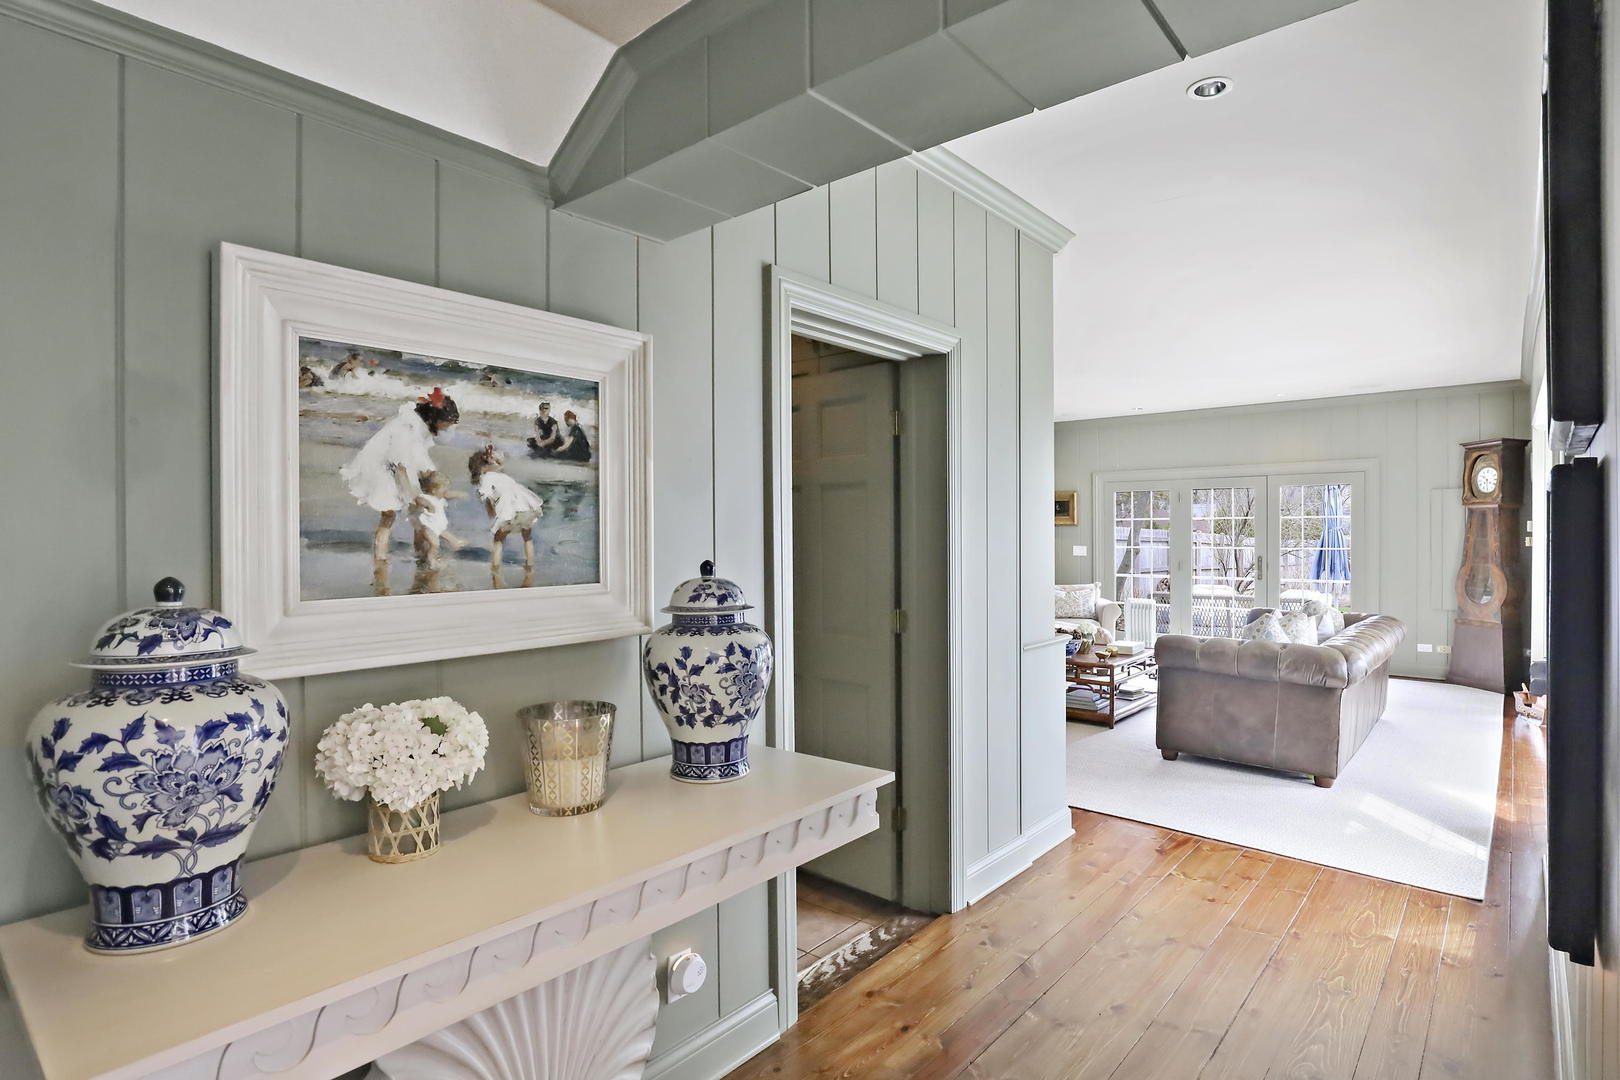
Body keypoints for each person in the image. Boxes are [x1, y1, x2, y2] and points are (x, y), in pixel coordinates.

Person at [340, 387, 460, 568]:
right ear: (436, 418)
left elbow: (418, 457)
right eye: (447, 423)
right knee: (388, 515)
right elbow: (400, 464)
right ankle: (380, 558)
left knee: (419, 513)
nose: (448, 427)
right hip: (383, 469)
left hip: (398, 468)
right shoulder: (407, 427)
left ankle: (421, 554)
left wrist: (427, 477)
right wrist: (413, 495)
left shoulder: (418, 426)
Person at [469, 444, 544, 586]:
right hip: (526, 507)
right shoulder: (503, 477)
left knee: (498, 539)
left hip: (510, 511)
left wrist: (490, 510)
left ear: (481, 468)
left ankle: (495, 568)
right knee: (527, 537)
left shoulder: (486, 478)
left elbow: (485, 495)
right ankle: (530, 566)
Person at [410, 470, 465, 570]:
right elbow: (418, 499)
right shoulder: (427, 497)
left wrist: (459, 494)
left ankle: (455, 542)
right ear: (434, 490)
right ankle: (431, 561)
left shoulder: (439, 498)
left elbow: (448, 495)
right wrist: (428, 504)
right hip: (428, 527)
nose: (446, 491)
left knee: (445, 535)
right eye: (443, 489)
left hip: (437, 526)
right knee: (435, 544)